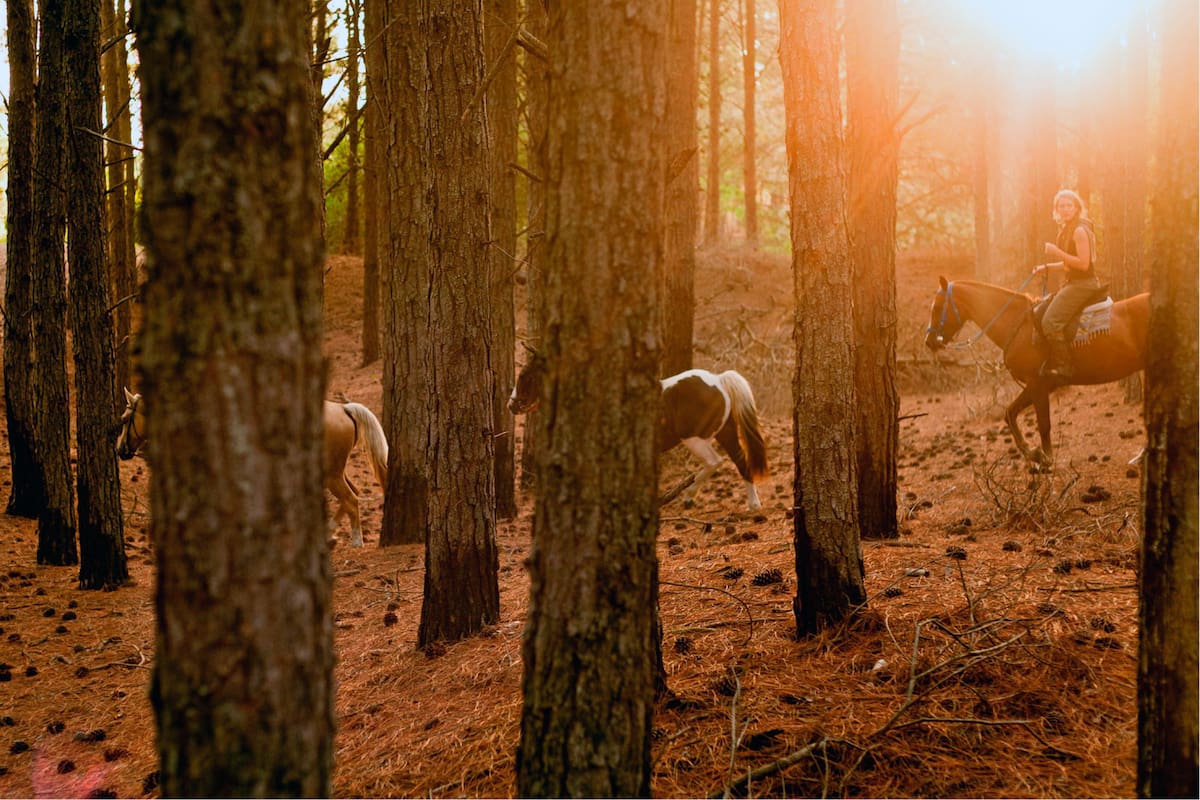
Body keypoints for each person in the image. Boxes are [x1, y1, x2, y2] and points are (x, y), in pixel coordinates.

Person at [1030, 189, 1099, 380]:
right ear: (1057, 210)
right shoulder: (1067, 229)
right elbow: (1070, 264)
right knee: (1039, 312)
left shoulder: (1078, 230)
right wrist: (1047, 268)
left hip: (1084, 284)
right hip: (1073, 282)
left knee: (1050, 323)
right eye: (1062, 206)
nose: (1066, 209)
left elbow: (1084, 265)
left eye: (1069, 205)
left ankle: (1065, 367)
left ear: (1076, 207)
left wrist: (1055, 252)